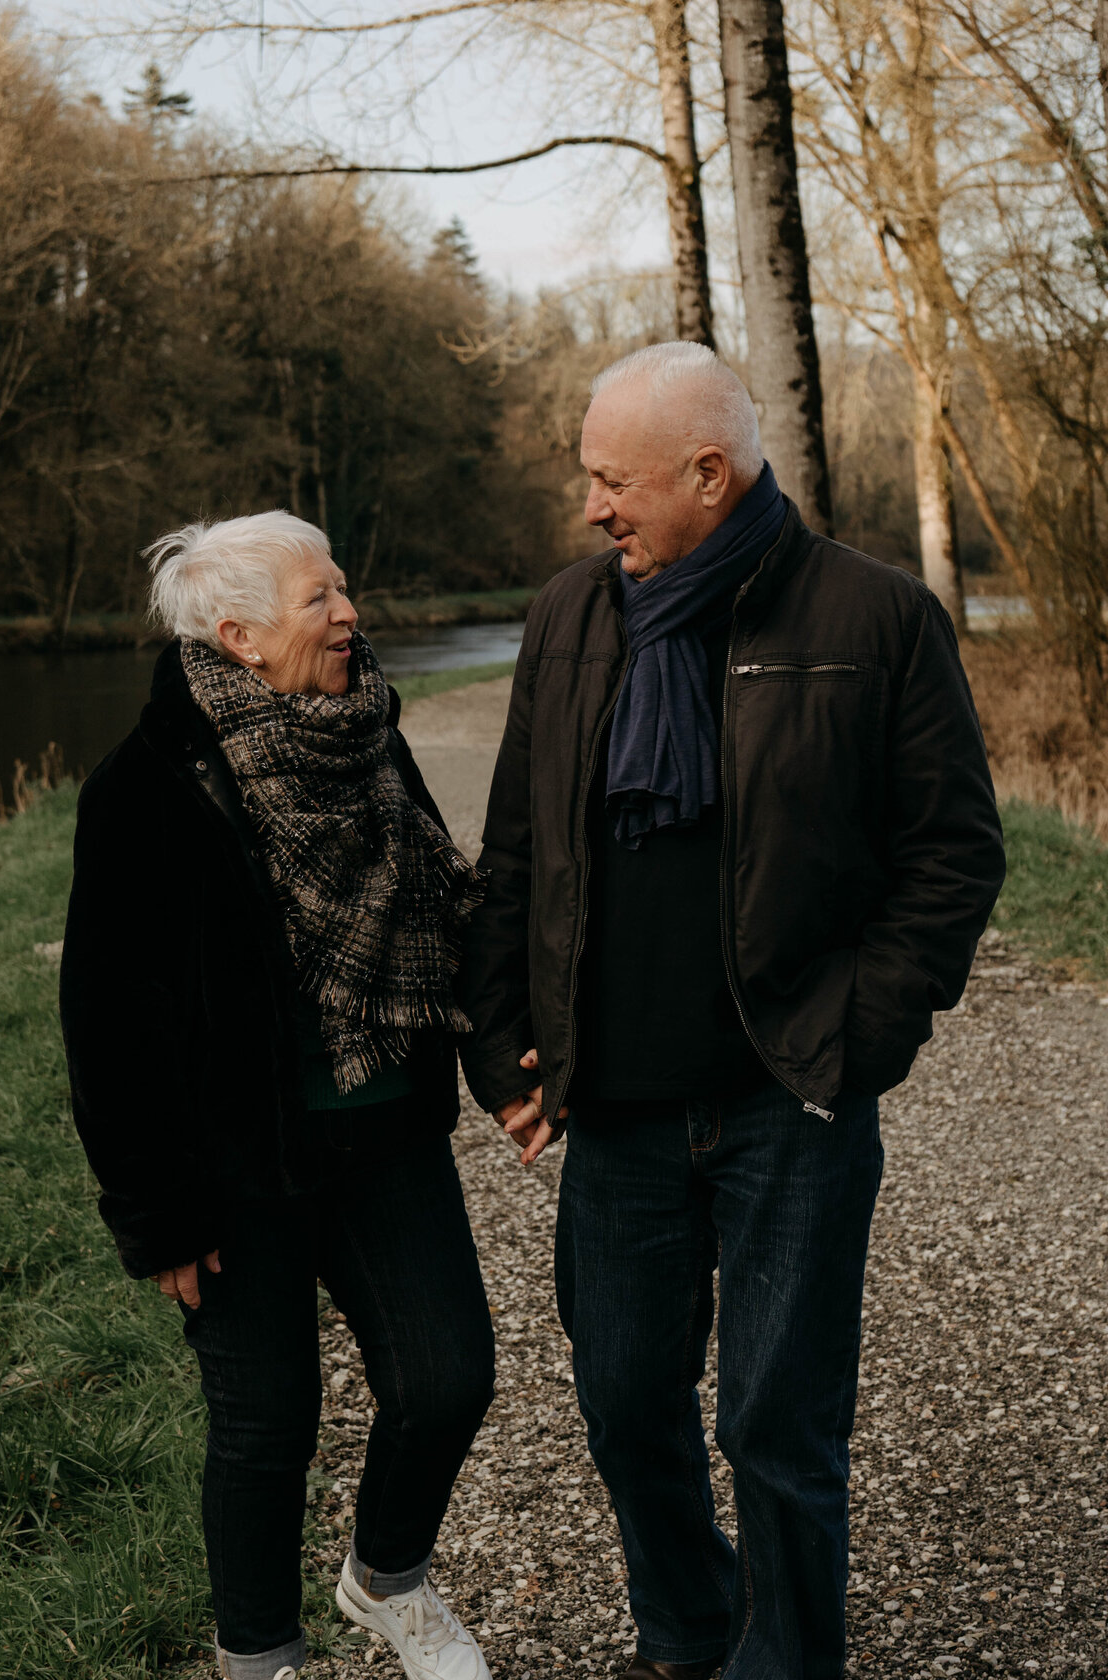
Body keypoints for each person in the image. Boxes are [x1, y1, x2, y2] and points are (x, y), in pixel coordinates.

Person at [458, 343, 1005, 1679]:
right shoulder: (571, 616)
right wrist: (498, 1044)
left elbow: (953, 854)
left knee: (778, 1422)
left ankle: (787, 1658)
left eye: (612, 482)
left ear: (710, 474)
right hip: (622, 1116)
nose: (595, 508)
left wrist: (857, 1037)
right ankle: (693, 1627)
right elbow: (519, 854)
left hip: (790, 1103)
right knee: (627, 1405)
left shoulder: (874, 616)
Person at [60, 511, 495, 1680]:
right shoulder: (148, 789)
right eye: (322, 599)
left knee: (452, 1377)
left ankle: (387, 1580)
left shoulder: (371, 734)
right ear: (241, 636)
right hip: (235, 1168)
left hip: (387, 1131)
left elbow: (446, 919)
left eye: (343, 589)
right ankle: (261, 1656)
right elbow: (109, 1025)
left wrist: (507, 1067)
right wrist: (155, 1216)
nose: (351, 613)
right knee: (267, 1430)